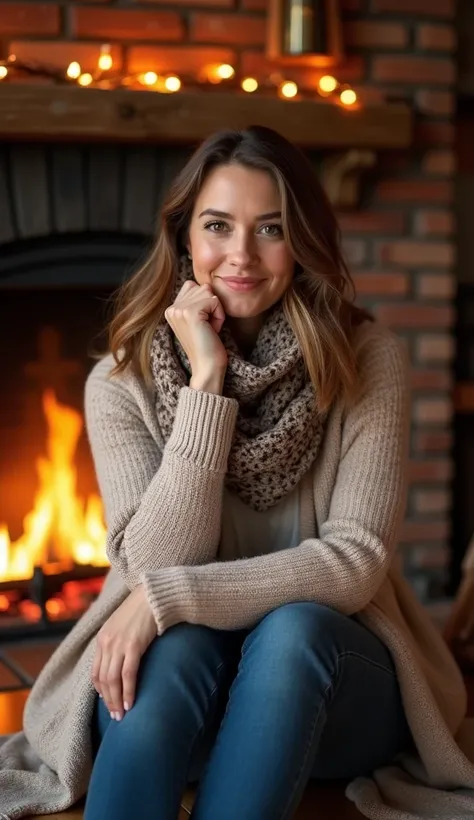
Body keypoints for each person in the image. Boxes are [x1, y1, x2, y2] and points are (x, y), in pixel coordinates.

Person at [1, 126, 474, 820]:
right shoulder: (121, 380)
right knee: (176, 651)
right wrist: (207, 384)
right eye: (218, 225)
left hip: (332, 695)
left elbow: (352, 565)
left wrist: (168, 597)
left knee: (294, 631)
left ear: (303, 240)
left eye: (271, 229)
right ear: (185, 236)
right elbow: (154, 558)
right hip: (185, 694)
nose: (241, 256)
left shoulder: (365, 358)